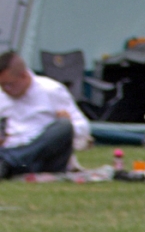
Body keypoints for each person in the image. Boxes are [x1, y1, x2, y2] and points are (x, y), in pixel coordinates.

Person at [0, 51, 91, 179]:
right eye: (2, 85)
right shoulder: (2, 97)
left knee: (64, 126)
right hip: (13, 149)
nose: (5, 89)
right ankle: (11, 162)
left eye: (9, 84)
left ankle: (11, 161)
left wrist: (69, 122)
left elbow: (83, 127)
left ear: (24, 75)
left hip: (45, 158)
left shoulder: (51, 90)